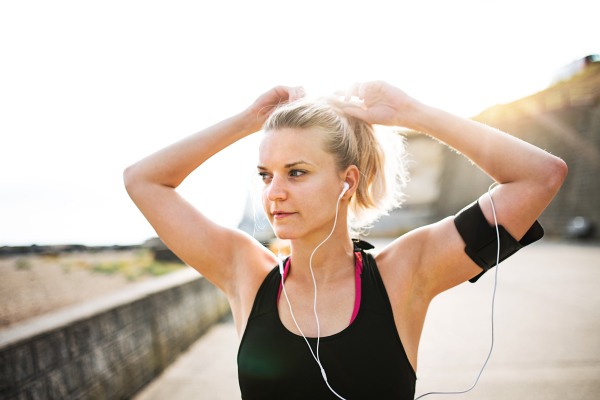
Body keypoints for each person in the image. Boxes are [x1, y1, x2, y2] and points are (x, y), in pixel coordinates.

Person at [123, 81, 567, 399]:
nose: (274, 192)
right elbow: (142, 180)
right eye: (265, 175)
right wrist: (247, 122)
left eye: (296, 172)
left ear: (347, 181)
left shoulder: (404, 273)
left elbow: (540, 176)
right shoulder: (246, 272)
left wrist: (413, 114)